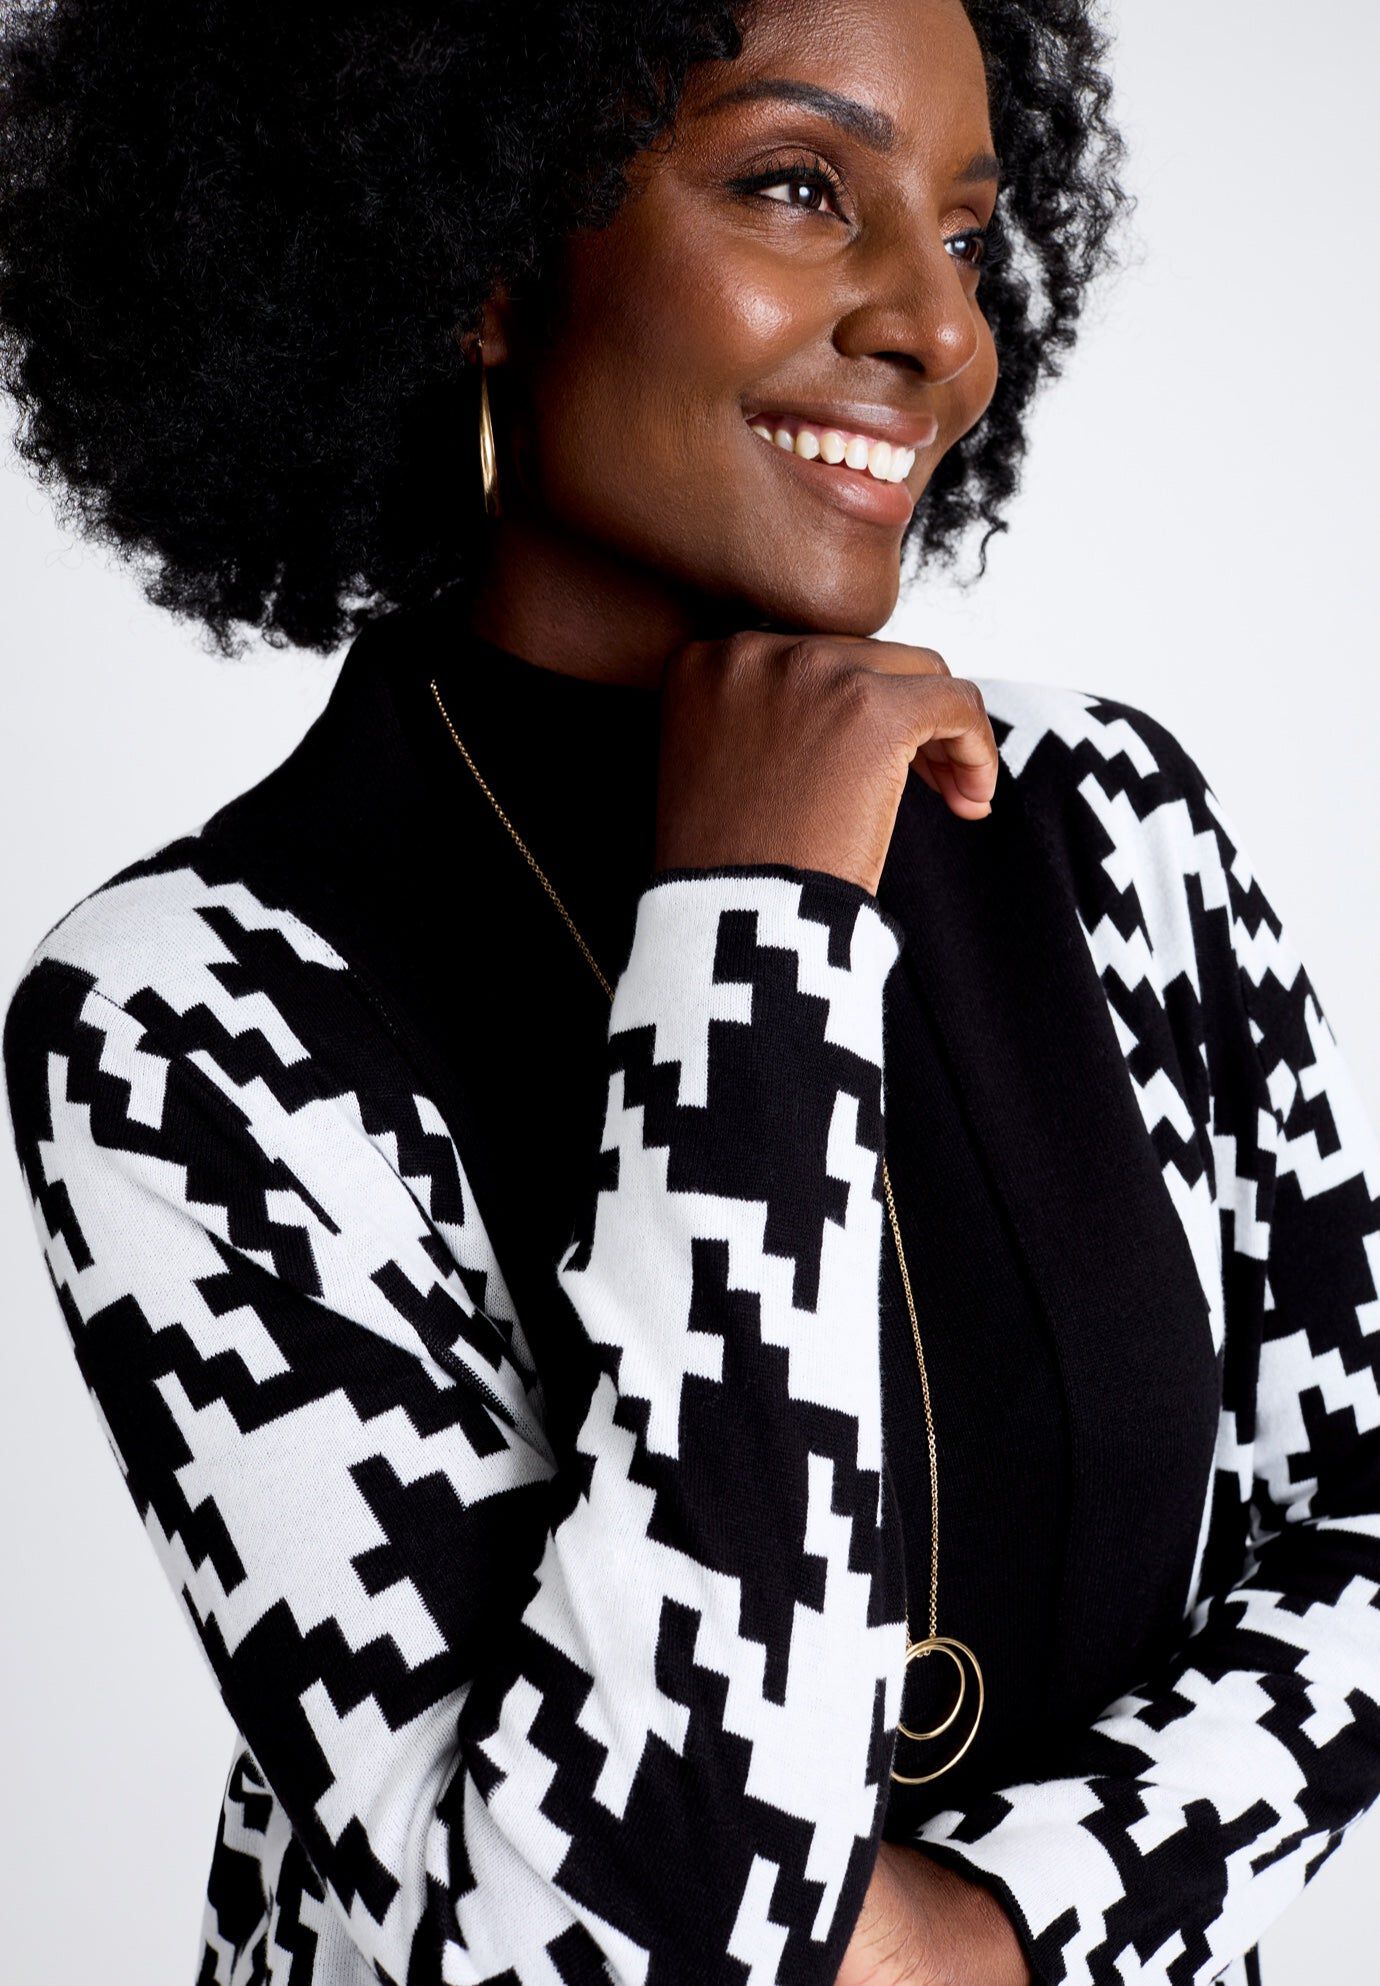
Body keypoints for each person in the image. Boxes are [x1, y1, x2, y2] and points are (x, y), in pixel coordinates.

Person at [2, 1, 1378, 1983]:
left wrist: (1007, 1921)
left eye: (967, 232)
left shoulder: (1108, 830)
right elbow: (592, 1944)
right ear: (476, 252)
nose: (942, 327)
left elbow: (1365, 1511)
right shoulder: (187, 1018)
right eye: (800, 186)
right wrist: (754, 943)